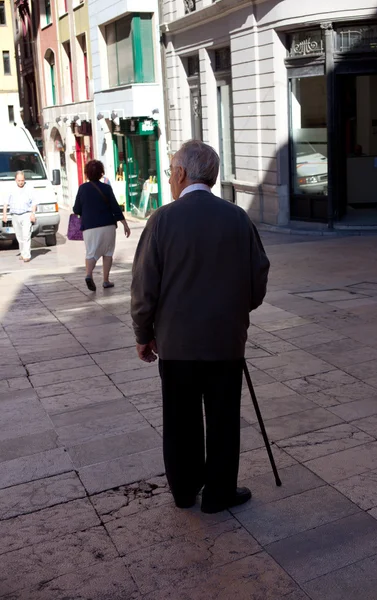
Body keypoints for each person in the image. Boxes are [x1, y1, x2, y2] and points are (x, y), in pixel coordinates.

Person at [131, 140, 270, 513]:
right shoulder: (237, 217)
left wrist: (144, 335)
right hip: (225, 342)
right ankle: (219, 493)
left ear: (180, 173)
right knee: (224, 420)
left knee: (180, 420)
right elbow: (258, 278)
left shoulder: (162, 219)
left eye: (170, 172)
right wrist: (237, 311)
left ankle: (184, 491)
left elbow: (145, 286)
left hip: (177, 345)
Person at [73, 159, 131, 291]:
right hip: (108, 225)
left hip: (90, 227)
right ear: (101, 173)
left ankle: (88, 274)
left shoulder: (82, 189)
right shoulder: (106, 188)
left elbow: (76, 209)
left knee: (91, 253)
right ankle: (106, 280)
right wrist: (125, 225)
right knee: (108, 252)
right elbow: (115, 208)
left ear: (87, 173)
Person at [2, 171, 37, 262]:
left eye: (22, 180)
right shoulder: (11, 188)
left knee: (26, 235)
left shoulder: (29, 188)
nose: (21, 182)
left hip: (26, 214)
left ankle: (27, 255)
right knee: (19, 236)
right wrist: (4, 215)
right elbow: (6, 202)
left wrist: (33, 213)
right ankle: (22, 252)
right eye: (19, 180)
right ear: (15, 180)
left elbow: (34, 202)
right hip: (15, 215)